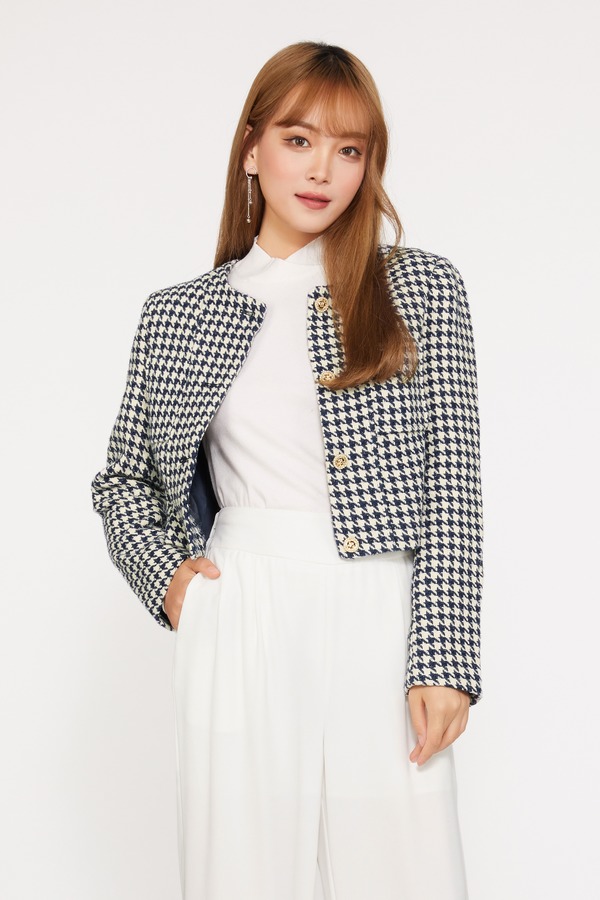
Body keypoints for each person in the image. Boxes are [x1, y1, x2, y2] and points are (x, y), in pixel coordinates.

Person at [91, 40, 484, 900]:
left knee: (406, 874)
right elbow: (123, 479)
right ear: (252, 148)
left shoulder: (419, 289)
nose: (321, 170)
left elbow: (454, 487)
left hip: (381, 607)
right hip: (239, 607)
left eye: (349, 149)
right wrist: (173, 584)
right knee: (241, 875)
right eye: (298, 140)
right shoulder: (180, 314)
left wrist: (445, 659)